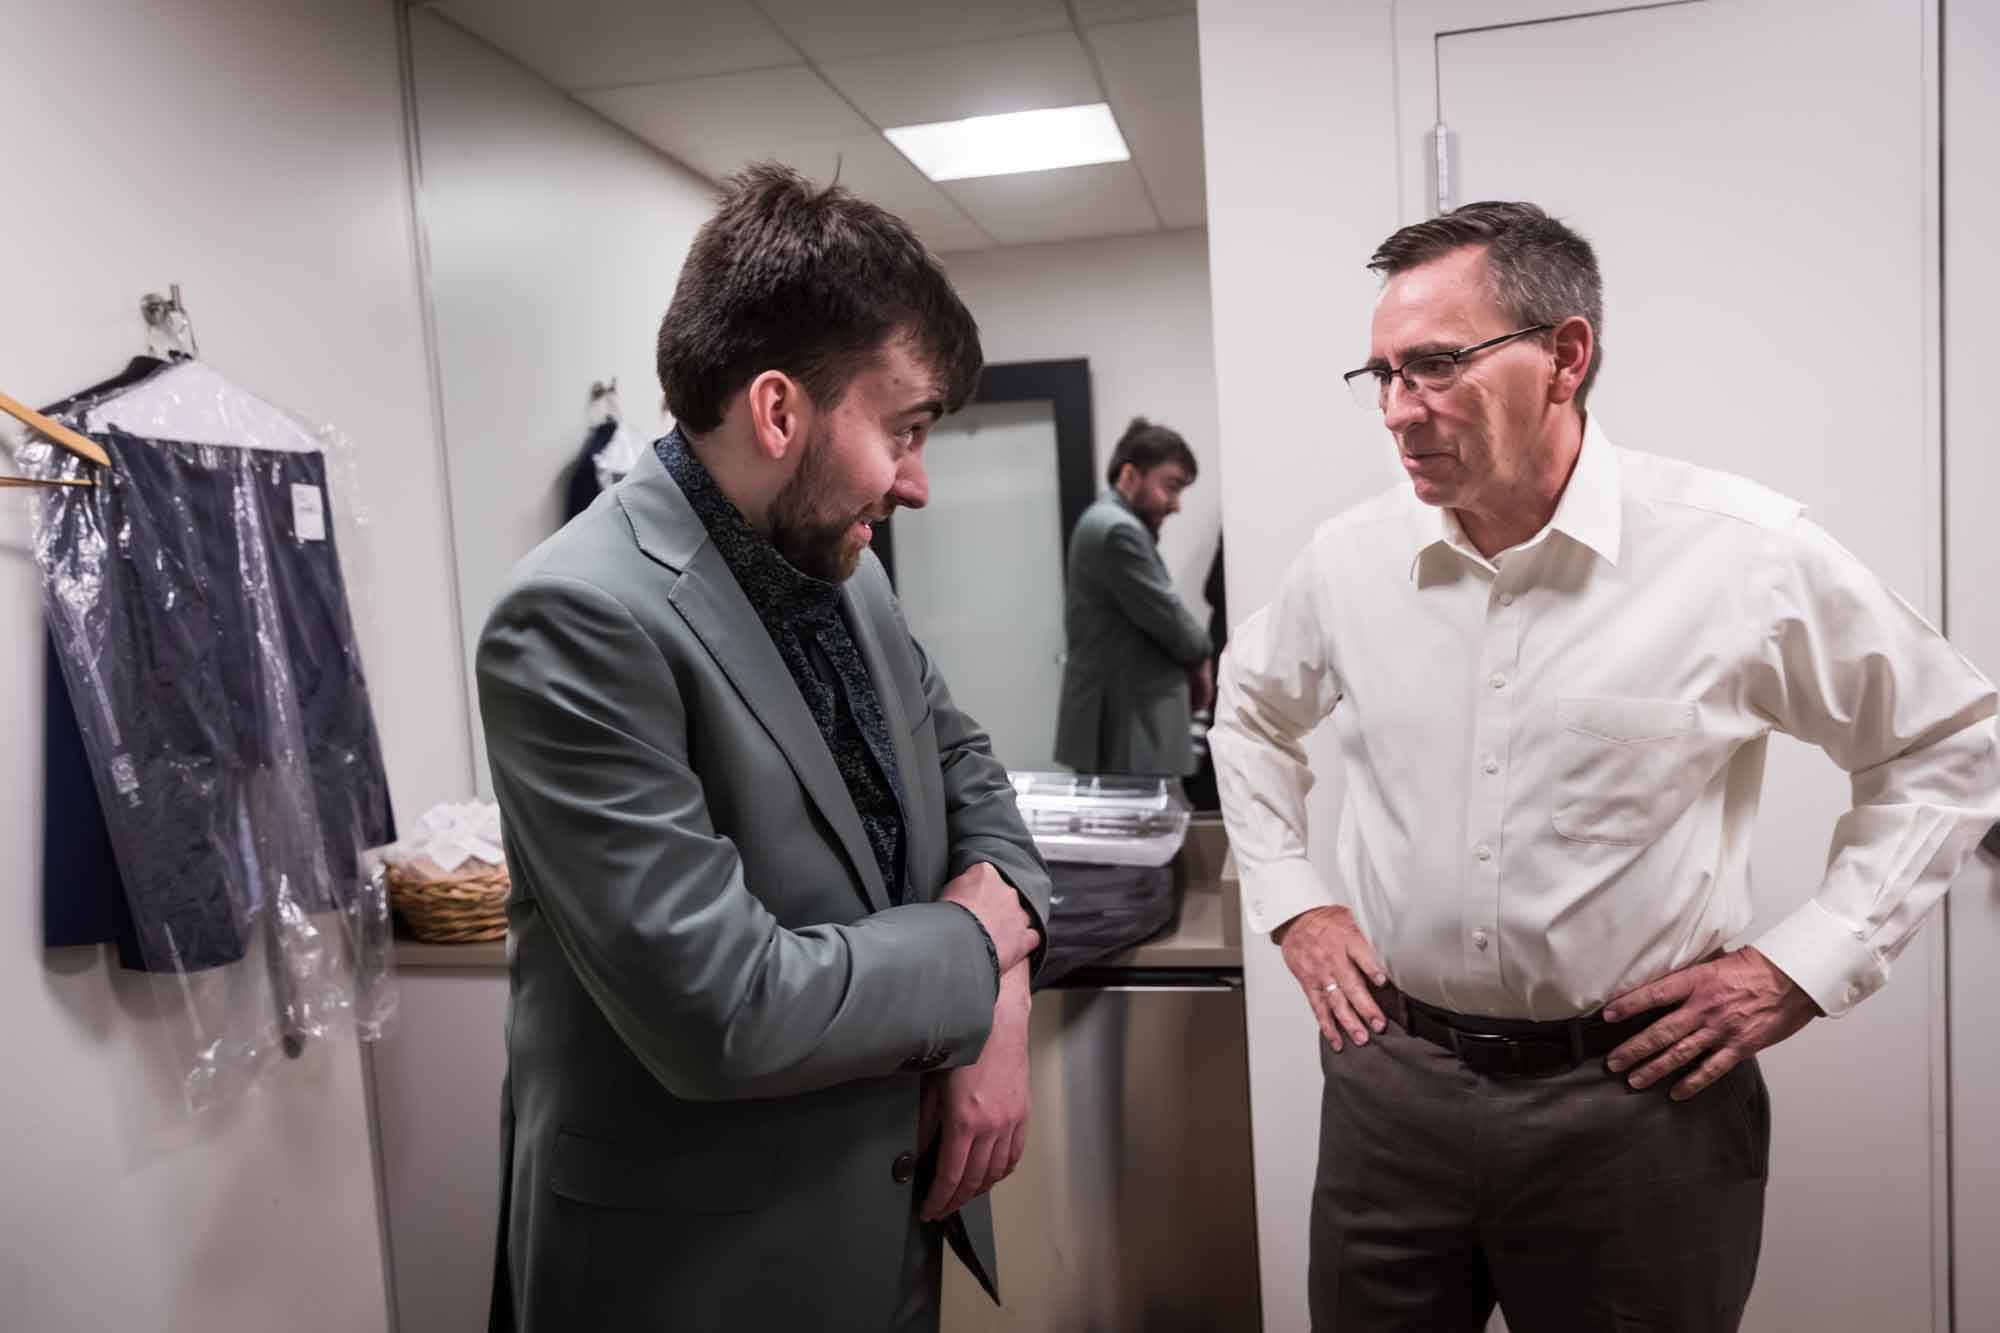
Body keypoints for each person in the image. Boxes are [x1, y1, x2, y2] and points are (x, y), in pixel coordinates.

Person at [1211, 200, 2000, 1331]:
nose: (1396, 409)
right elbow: (1247, 714)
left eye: (1434, 365)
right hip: (1392, 1092)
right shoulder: (1347, 563)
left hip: (1639, 1108)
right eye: (1380, 373)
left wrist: (1799, 966)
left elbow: (1947, 740)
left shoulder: (1740, 556)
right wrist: (1295, 902)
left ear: (1565, 356)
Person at [478, 164, 1052, 1333]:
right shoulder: (576, 618)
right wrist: (974, 946)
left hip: (887, 1233)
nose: (916, 482)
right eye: (901, 430)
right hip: (700, 1273)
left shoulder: (847, 569)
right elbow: (725, 1008)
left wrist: (999, 1005)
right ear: (778, 411)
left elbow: (972, 780)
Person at [1054, 417, 1213, 777]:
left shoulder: (1107, 522)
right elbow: (1170, 618)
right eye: (1170, 487)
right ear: (1129, 475)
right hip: (1128, 733)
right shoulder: (1117, 530)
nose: (1176, 505)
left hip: (1124, 729)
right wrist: (1203, 653)